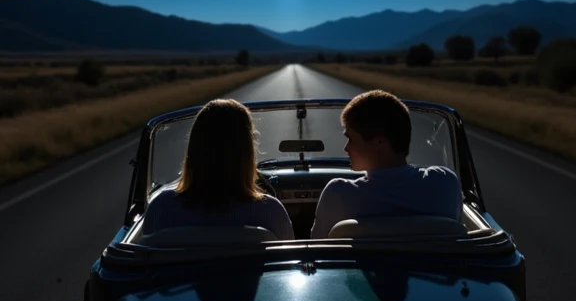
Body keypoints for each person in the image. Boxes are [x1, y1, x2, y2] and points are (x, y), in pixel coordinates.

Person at [311, 89, 462, 239]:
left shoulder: (338, 194)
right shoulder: (445, 183)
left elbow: (316, 255)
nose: (346, 148)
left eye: (351, 139)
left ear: (380, 142)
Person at [143, 98, 294, 240]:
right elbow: (289, 265)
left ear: (194, 148)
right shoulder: (270, 212)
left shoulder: (161, 209)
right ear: (246, 152)